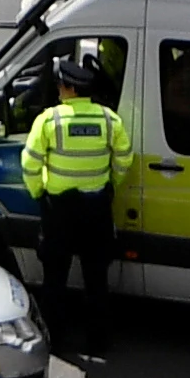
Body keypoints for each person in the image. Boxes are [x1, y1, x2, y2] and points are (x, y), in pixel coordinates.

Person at [20, 49, 130, 356]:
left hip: (60, 211)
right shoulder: (110, 121)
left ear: (69, 89)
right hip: (96, 210)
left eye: (60, 86)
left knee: (55, 277)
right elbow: (124, 159)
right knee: (96, 279)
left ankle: (55, 337)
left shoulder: (49, 120)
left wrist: (38, 190)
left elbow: (29, 163)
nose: (58, 90)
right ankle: (98, 340)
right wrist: (110, 186)